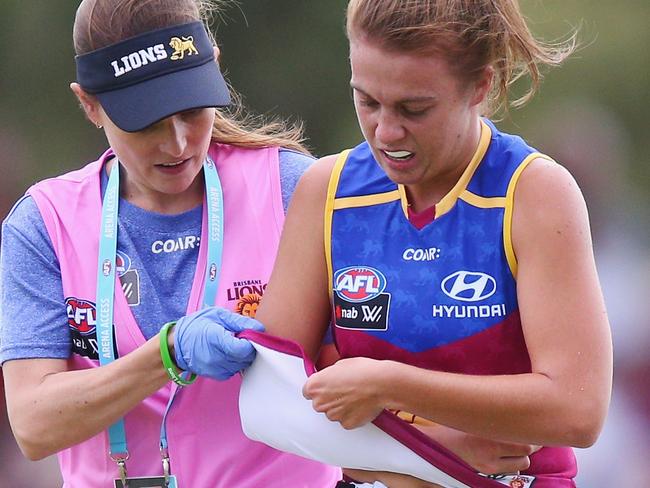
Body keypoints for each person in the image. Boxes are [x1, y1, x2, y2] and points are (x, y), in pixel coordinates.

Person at [195, 0, 613, 487]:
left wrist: (388, 385)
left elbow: (578, 410)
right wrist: (434, 449)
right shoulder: (327, 191)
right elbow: (269, 407)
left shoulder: (535, 194)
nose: (386, 132)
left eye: (415, 109)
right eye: (367, 101)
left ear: (480, 84)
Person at [0, 0, 342, 486]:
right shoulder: (44, 224)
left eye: (191, 110)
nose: (178, 144)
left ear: (215, 67)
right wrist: (169, 352)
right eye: (146, 122)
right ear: (89, 104)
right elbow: (34, 424)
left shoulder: (292, 190)